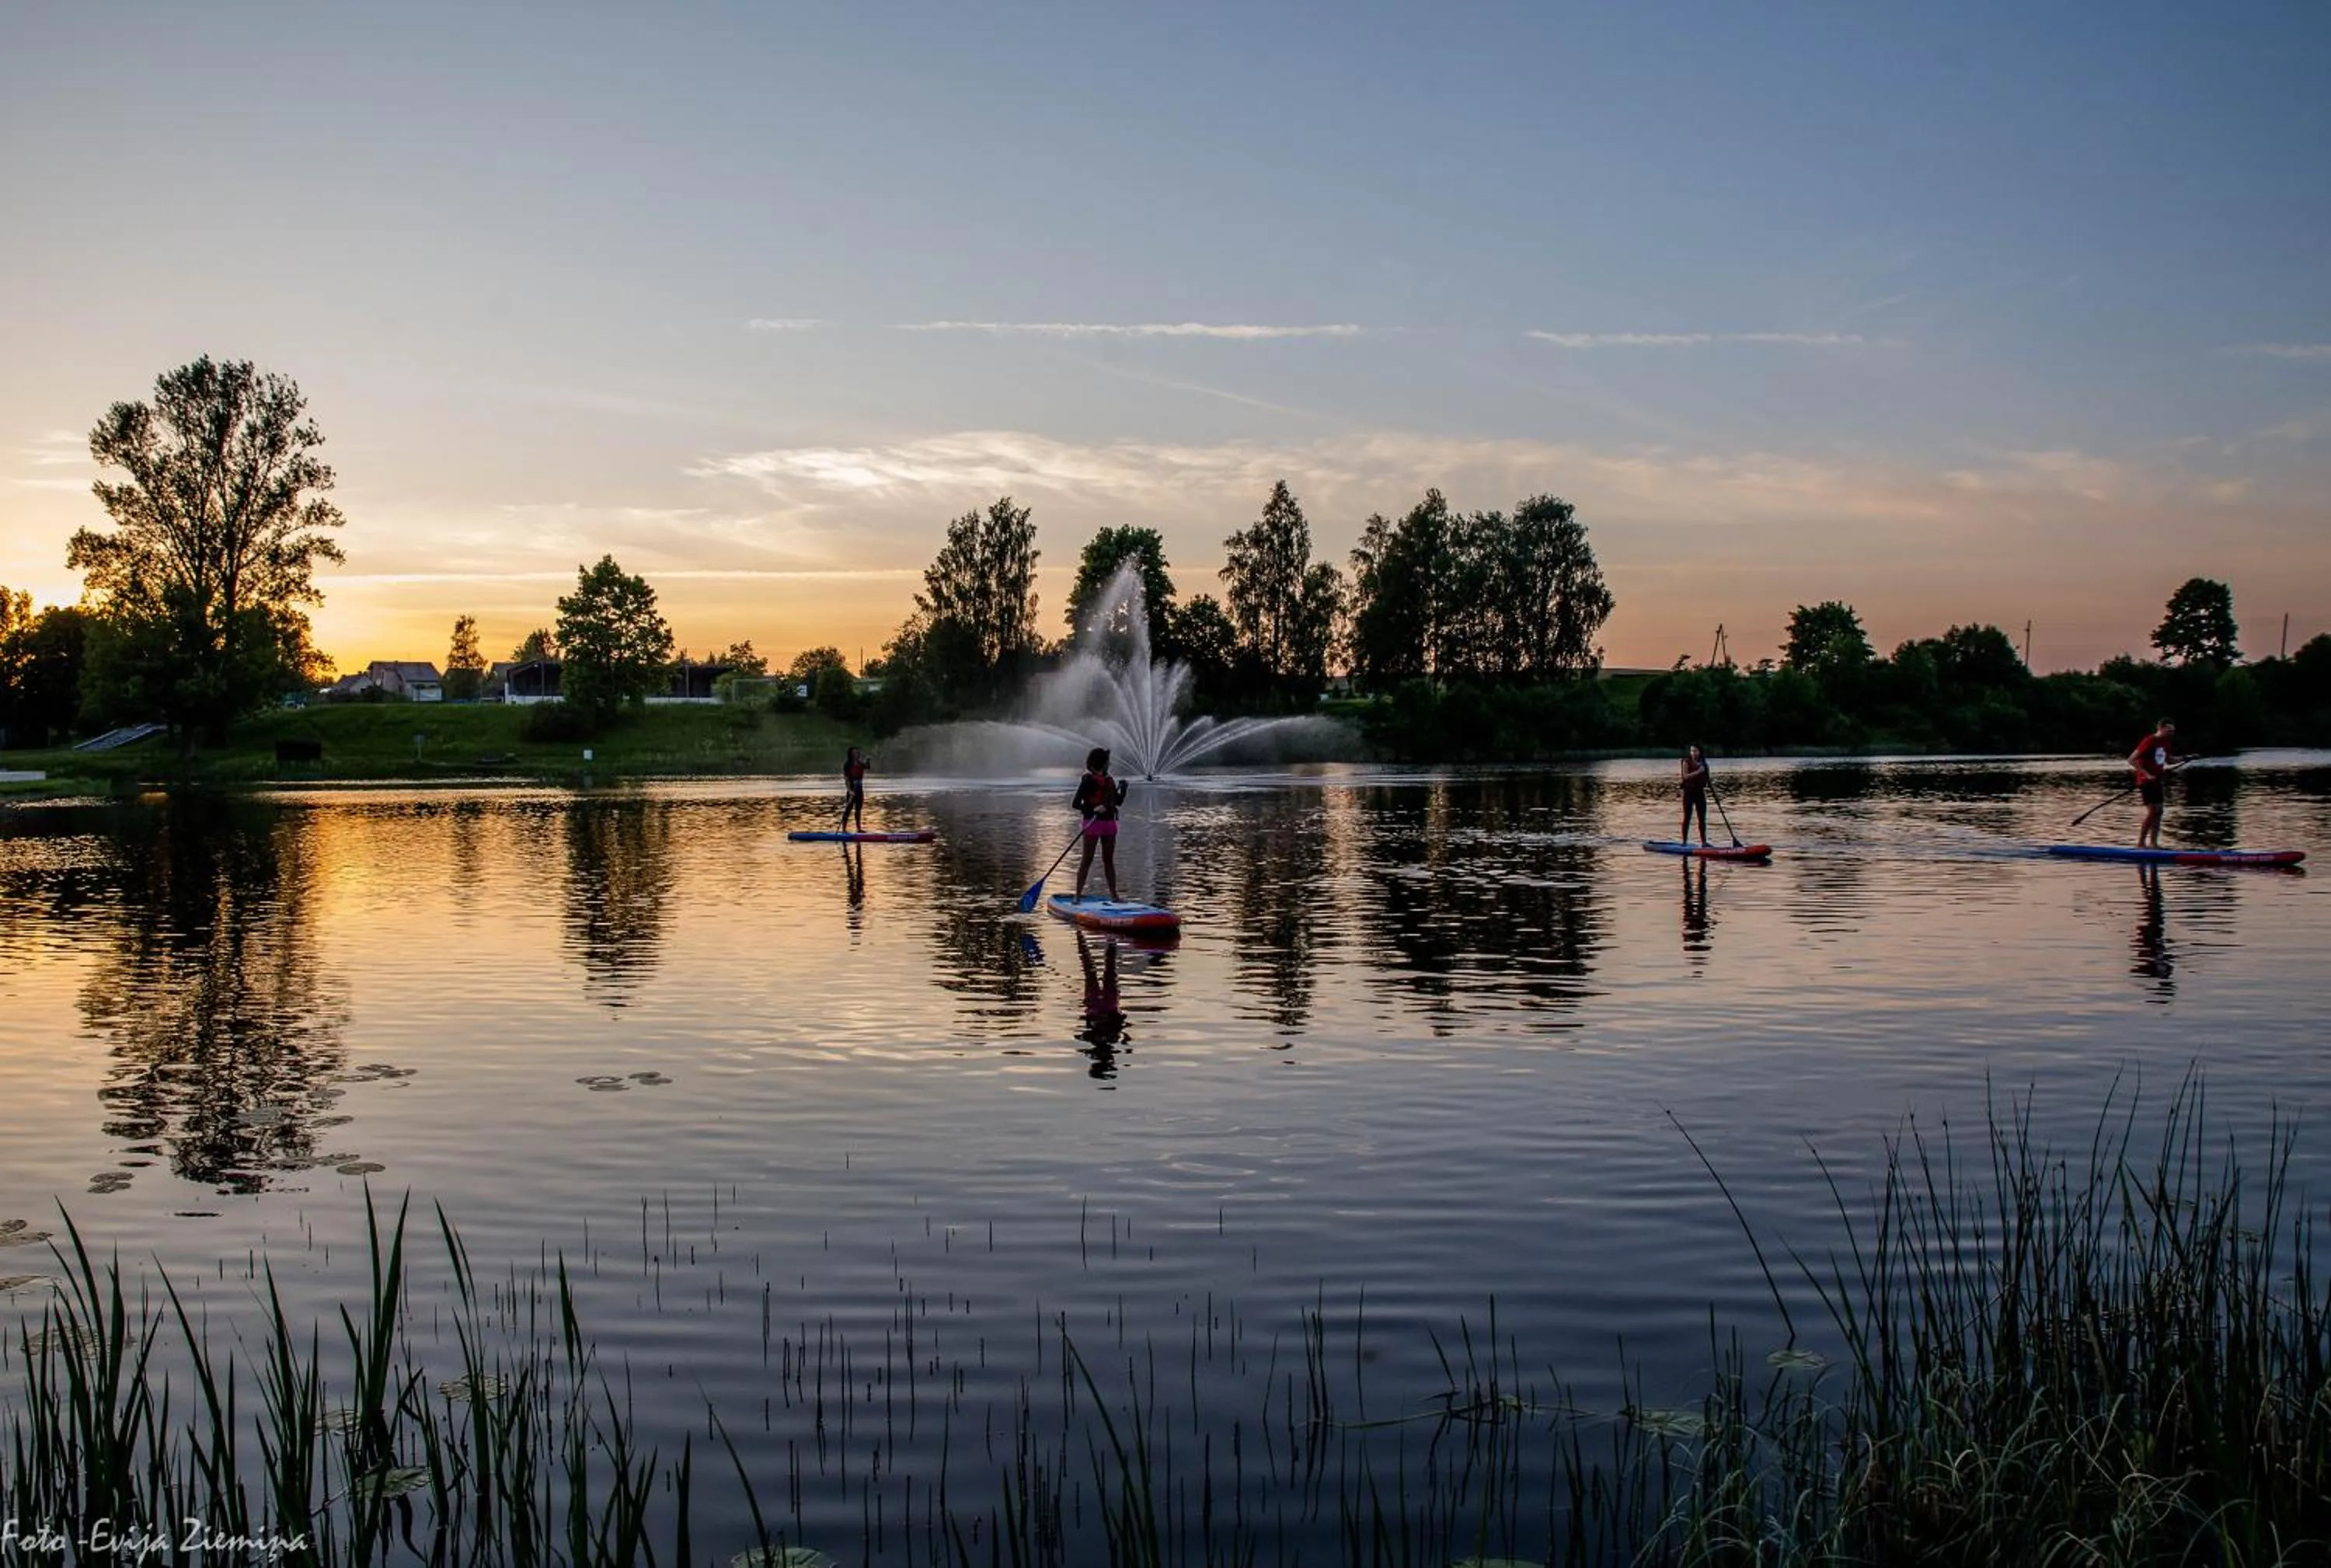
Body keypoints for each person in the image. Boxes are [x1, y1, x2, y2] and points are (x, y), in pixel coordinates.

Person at [1071, 747, 1128, 901]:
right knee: (1087, 859)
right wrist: (1092, 809)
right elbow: (1076, 804)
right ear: (1102, 763)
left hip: (1109, 824)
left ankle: (1114, 895)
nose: (1109, 764)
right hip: (1092, 823)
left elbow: (1118, 802)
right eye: (1107, 762)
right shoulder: (1088, 781)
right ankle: (1077, 895)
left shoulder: (1109, 780)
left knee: (1108, 860)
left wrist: (1124, 789)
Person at [2128, 719, 2179, 848]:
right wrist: (2147, 775)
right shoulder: (2149, 741)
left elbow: (2169, 760)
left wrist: (2186, 758)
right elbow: (2131, 760)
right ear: (2160, 728)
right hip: (2146, 781)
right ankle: (2141, 843)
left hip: (2157, 780)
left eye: (2173, 731)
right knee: (2152, 811)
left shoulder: (2166, 742)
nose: (2171, 733)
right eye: (2169, 730)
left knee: (2160, 811)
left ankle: (2154, 843)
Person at [1680, 744, 1712, 846]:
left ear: (1700, 752)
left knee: (1702, 818)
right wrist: (1698, 772)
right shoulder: (1686, 762)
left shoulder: (1704, 764)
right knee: (1687, 817)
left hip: (1699, 793)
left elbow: (1707, 779)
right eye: (1692, 751)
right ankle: (1684, 842)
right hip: (1688, 792)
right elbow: (1685, 777)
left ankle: (1704, 842)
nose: (1694, 753)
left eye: (1696, 751)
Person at [840, 746, 869, 833]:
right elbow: (846, 779)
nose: (857, 754)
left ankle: (859, 829)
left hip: (860, 789)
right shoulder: (848, 765)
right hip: (852, 789)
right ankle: (844, 829)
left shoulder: (860, 764)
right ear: (851, 754)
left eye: (858, 753)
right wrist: (850, 791)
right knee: (848, 809)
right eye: (855, 753)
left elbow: (867, 767)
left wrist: (868, 760)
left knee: (858, 809)